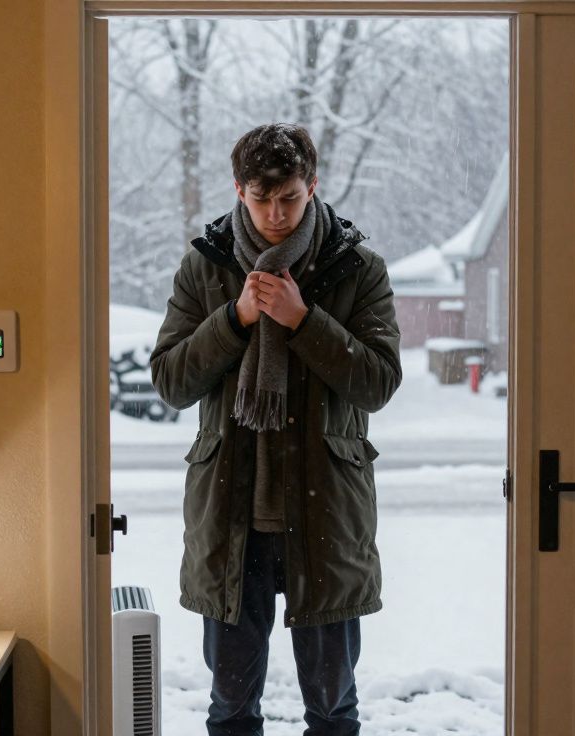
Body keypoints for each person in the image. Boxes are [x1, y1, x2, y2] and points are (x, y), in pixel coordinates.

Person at [150, 123, 402, 735]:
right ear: (239, 191)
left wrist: (303, 320)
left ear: (312, 186)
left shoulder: (356, 269)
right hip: (231, 519)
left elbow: (378, 382)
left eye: (289, 197)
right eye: (261, 199)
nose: (275, 214)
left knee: (333, 708)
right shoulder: (205, 266)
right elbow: (172, 382)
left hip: (325, 516)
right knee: (231, 708)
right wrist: (235, 318)